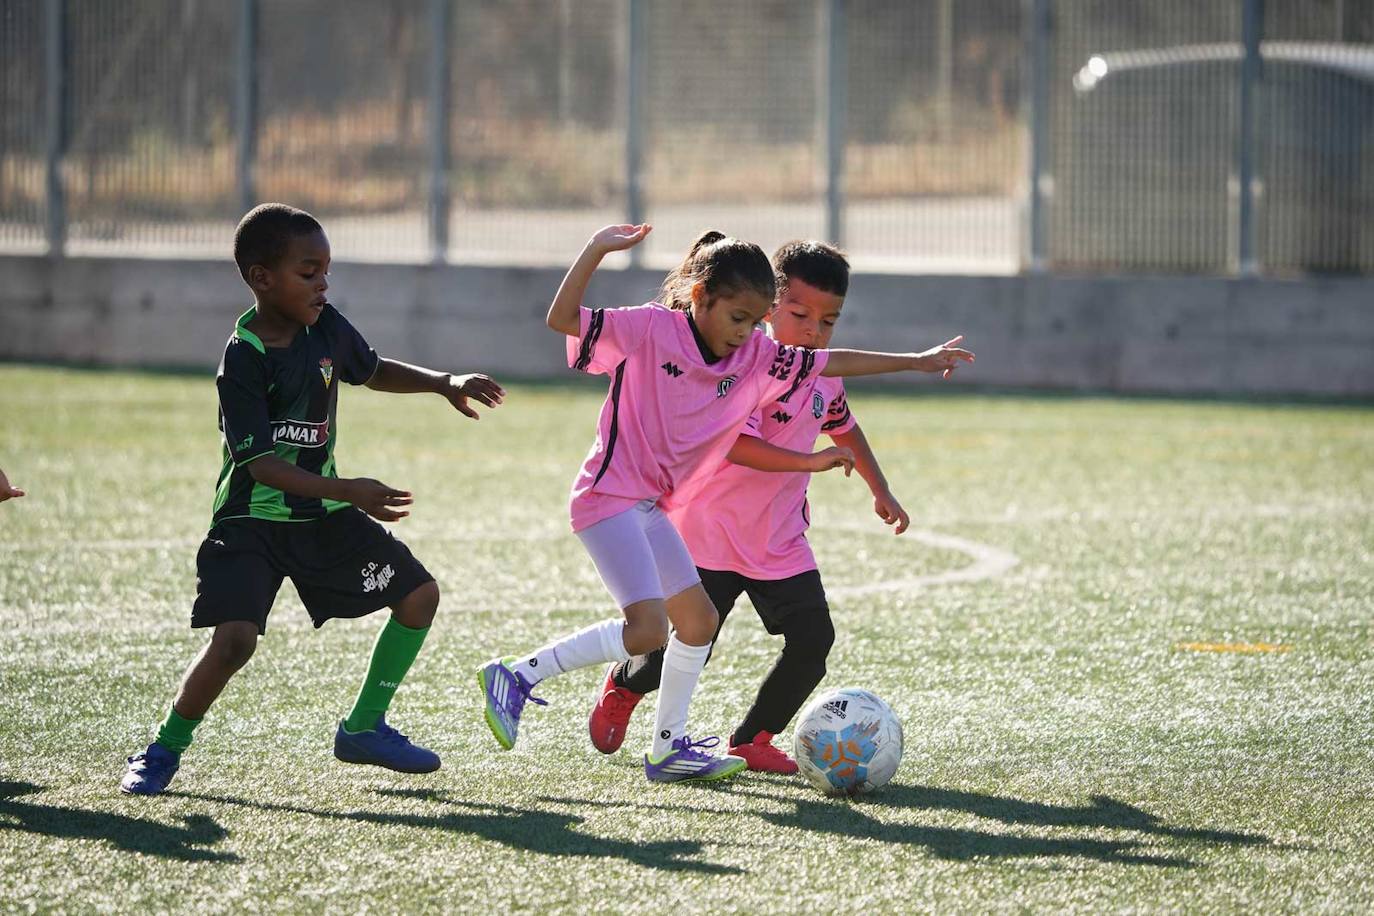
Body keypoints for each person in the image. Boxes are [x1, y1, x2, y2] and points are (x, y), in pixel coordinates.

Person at [478, 224, 972, 784]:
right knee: (648, 632)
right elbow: (562, 321)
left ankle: (668, 750)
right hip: (609, 496)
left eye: (754, 321)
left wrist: (916, 360)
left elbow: (833, 367)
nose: (746, 333)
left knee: (699, 623)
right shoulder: (648, 328)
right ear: (700, 298)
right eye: (739, 319)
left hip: (653, 508)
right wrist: (595, 250)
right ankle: (517, 676)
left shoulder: (756, 356)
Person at [120, 203, 505, 796]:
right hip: (252, 520)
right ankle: (163, 747)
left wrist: (441, 382)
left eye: (326, 270)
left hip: (321, 517)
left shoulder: (325, 327)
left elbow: (372, 370)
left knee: (418, 595)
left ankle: (363, 728)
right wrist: (348, 490)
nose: (323, 283)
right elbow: (262, 466)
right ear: (261, 277)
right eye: (308, 271)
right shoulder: (244, 356)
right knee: (235, 642)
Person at [589, 240, 924, 773]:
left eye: (828, 321)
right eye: (800, 315)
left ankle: (752, 738)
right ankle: (625, 685)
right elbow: (737, 446)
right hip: (709, 534)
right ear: (770, 309)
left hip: (778, 542)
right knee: (686, 647)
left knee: (814, 640)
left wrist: (879, 488)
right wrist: (809, 462)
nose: (814, 330)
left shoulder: (823, 374)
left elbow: (845, 426)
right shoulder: (744, 369)